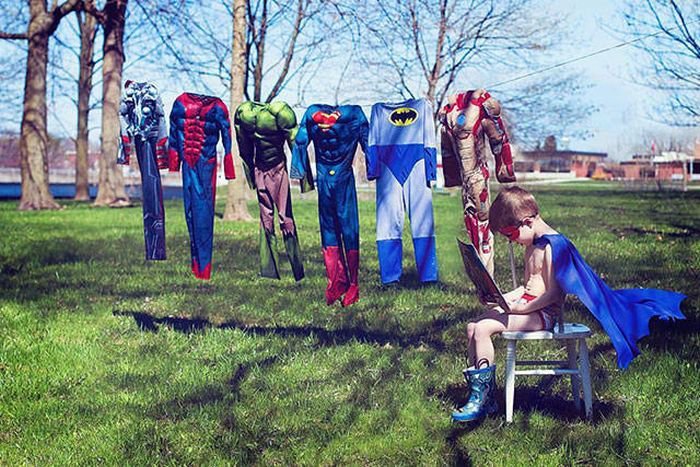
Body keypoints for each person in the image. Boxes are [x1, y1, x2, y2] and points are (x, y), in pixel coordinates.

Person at [452, 186, 686, 422]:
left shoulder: (553, 247)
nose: (511, 241)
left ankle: (482, 400)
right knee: (473, 327)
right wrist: (500, 297)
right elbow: (527, 287)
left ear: (527, 222)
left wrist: (520, 308)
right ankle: (483, 396)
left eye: (511, 235)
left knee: (483, 328)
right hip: (527, 309)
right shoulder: (532, 245)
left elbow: (554, 294)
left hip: (543, 315)